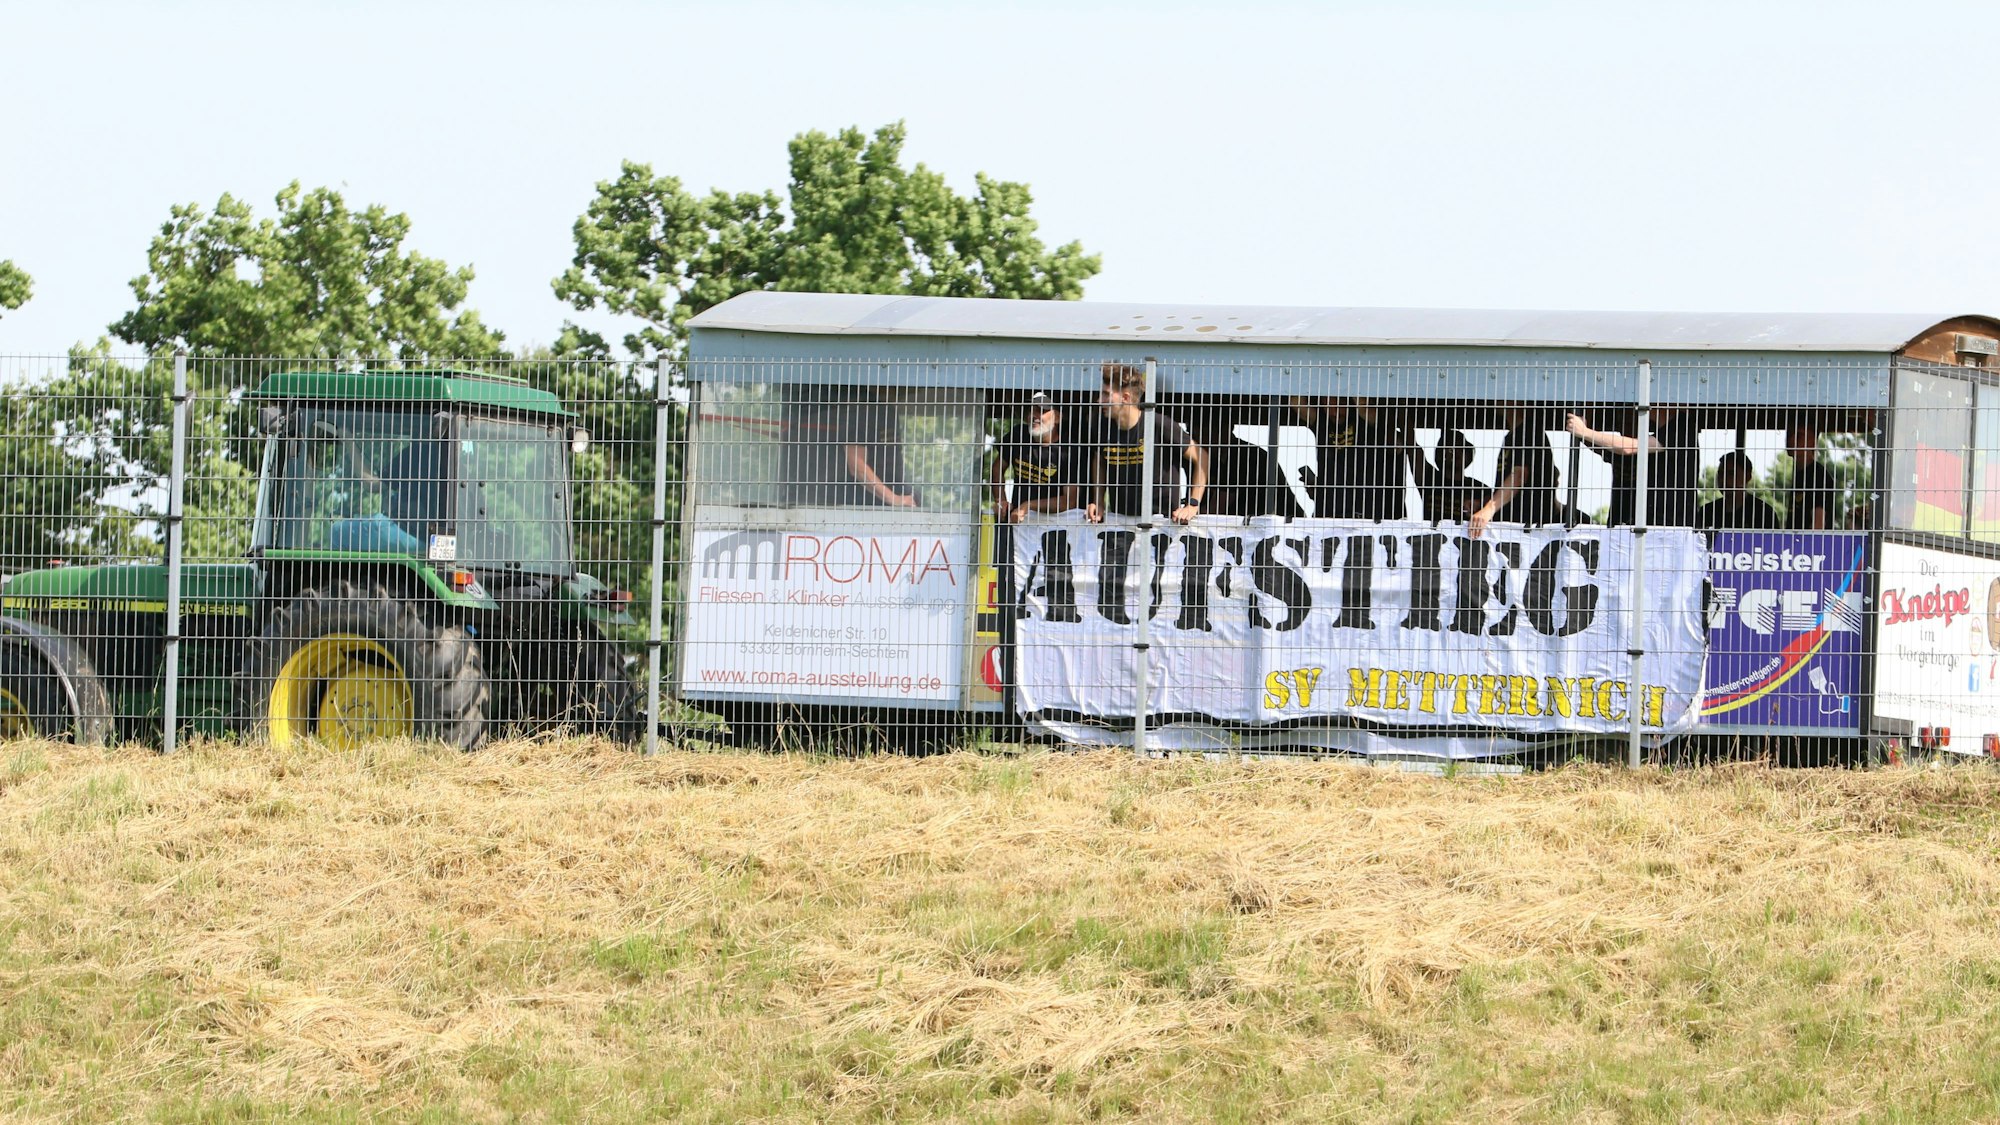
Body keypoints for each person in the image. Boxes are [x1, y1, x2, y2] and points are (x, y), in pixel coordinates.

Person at [1087, 361, 1208, 525]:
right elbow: (1099, 461)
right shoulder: (1102, 427)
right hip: (1121, 521)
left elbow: (1202, 456)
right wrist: (1098, 501)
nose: (1099, 400)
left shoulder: (1159, 425)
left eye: (1106, 395)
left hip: (1164, 523)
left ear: (1125, 398)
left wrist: (1193, 504)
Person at [1567, 405, 1700, 528]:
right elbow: (1613, 448)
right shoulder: (1662, 434)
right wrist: (1582, 433)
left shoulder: (1681, 427)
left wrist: (1585, 432)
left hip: (1670, 526)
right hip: (1651, 524)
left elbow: (1629, 447)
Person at [990, 392, 1084, 522]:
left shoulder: (1069, 451)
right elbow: (997, 468)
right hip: (1020, 521)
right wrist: (1001, 500)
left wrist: (1028, 506)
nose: (1033, 415)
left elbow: (1069, 501)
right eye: (1031, 410)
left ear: (1057, 418)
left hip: (1057, 524)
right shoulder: (1018, 435)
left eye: (1041, 411)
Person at [1469, 404, 1562, 537]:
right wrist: (1484, 503)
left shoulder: (1529, 431)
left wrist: (1489, 509)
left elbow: (1519, 476)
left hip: (1529, 527)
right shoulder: (1512, 436)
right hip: (1515, 526)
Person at [1696, 451, 1781, 531]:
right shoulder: (1707, 512)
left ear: (1747, 477)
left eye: (1731, 474)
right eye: (1721, 474)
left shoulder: (1763, 513)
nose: (1724, 479)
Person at [1417, 429, 1486, 525]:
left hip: (1465, 534)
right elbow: (1412, 448)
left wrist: (1480, 504)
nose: (1455, 452)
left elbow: (1495, 505)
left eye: (1461, 448)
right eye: (1450, 448)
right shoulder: (1429, 478)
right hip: (1432, 534)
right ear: (1440, 454)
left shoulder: (1480, 489)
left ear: (1467, 455)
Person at [1785, 419, 1840, 530]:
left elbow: (1818, 524)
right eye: (1789, 434)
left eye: (1799, 435)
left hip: (1810, 540)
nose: (1791, 439)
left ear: (1813, 442)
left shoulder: (1819, 476)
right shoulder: (1799, 474)